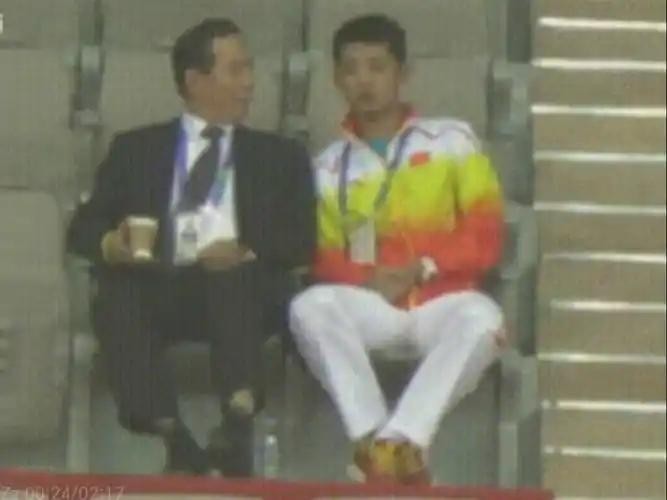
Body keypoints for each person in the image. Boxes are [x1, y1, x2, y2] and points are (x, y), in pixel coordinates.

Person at [67, 18, 316, 476]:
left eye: (249, 69)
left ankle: (237, 420)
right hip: (160, 283)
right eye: (236, 70)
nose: (250, 82)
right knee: (116, 295)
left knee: (233, 278)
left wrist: (246, 250)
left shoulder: (280, 156)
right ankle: (172, 435)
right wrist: (111, 244)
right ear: (195, 80)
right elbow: (83, 227)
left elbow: (302, 236)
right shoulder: (136, 149)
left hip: (243, 289)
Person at [289, 14, 506, 485]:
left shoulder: (452, 141)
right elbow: (323, 257)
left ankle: (400, 442)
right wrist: (367, 279)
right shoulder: (327, 167)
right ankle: (374, 437)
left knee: (484, 318)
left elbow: (485, 233)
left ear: (403, 74)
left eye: (377, 67)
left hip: (440, 299)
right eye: (351, 69)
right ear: (336, 79)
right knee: (309, 307)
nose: (364, 81)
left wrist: (421, 267)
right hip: (373, 305)